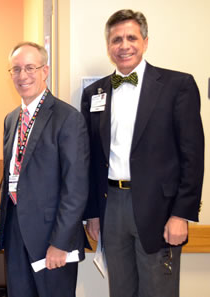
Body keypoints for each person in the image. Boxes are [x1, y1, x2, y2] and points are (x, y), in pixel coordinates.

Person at [81, 9, 204, 297]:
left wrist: (181, 215)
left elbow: (193, 157)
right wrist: (93, 214)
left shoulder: (177, 86)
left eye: (131, 38)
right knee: (121, 290)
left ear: (145, 42)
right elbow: (92, 160)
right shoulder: (95, 93)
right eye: (116, 39)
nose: (124, 45)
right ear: (108, 46)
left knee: (158, 290)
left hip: (160, 210)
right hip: (112, 207)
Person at [0, 42, 89, 297]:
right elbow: (12, 177)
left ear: (45, 70)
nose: (22, 75)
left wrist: (60, 243)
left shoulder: (67, 118)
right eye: (16, 69)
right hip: (16, 233)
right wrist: (3, 225)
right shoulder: (11, 118)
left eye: (29, 68)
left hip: (52, 236)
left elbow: (76, 188)